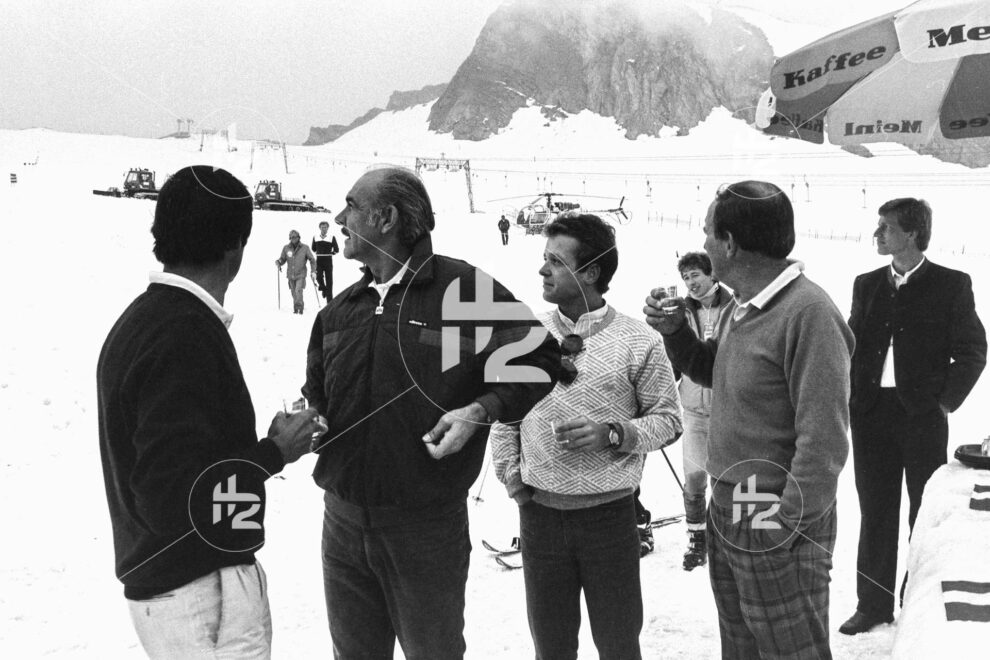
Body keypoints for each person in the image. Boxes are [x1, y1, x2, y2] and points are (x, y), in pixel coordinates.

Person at [302, 165, 560, 660]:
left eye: (351, 206)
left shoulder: (461, 290)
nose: (339, 218)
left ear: (385, 218)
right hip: (342, 526)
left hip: (424, 529)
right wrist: (310, 419)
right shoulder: (340, 311)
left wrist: (480, 410)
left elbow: (542, 358)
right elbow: (318, 393)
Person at [97, 165, 327, 659]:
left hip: (170, 584)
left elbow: (175, 462)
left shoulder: (143, 319)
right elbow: (169, 494)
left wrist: (257, 447)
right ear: (235, 247)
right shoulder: (185, 333)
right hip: (199, 587)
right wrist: (274, 453)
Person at [645, 180, 854, 659]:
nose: (703, 244)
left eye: (707, 233)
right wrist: (676, 332)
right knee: (742, 644)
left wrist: (784, 525)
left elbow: (823, 439)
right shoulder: (744, 305)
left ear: (730, 243)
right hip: (732, 499)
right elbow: (715, 370)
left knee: (789, 649)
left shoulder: (808, 313)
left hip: (772, 506)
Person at [491, 213, 682, 659]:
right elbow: (504, 419)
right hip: (539, 517)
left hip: (609, 519)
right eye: (545, 258)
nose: (543, 270)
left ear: (591, 272)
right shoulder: (525, 336)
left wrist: (613, 433)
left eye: (556, 262)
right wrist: (513, 480)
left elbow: (669, 421)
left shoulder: (639, 340)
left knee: (618, 644)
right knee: (552, 647)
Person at [839, 198, 987, 635]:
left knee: (924, 513)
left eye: (886, 227)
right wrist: (851, 393)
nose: (878, 233)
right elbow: (851, 345)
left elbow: (973, 351)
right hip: (870, 414)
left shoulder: (951, 284)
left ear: (912, 233)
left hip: (922, 416)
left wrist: (943, 402)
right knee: (875, 511)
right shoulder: (866, 284)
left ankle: (917, 603)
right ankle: (872, 605)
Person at [673, 251, 735, 571]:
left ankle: (731, 539)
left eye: (695, 274)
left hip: (730, 412)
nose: (690, 282)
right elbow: (672, 358)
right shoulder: (681, 312)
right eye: (685, 277)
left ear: (711, 274)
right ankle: (698, 540)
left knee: (729, 479)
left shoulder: (735, 306)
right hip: (694, 412)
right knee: (694, 479)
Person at [275, 229, 317, 314]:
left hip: (301, 274)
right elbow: (283, 259)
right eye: (291, 237)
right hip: (290, 274)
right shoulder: (286, 248)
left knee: (298, 290)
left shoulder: (305, 248)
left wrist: (313, 271)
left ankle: (299, 309)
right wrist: (279, 262)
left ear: (298, 237)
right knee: (293, 292)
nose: (293, 238)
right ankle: (297, 307)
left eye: (295, 237)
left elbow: (312, 260)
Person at [311, 220, 339, 301]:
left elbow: (336, 249)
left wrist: (331, 253)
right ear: (320, 228)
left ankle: (329, 302)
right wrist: (319, 252)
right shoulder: (315, 237)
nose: (324, 229)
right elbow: (313, 248)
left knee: (329, 281)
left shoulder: (331, 237)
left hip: (328, 261)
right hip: (319, 260)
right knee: (318, 276)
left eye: (325, 227)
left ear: (328, 228)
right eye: (322, 227)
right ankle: (323, 289)